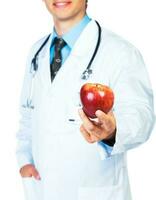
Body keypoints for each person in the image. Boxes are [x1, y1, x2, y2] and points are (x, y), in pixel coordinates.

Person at [16, 0, 155, 200]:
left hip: (97, 191)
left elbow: (142, 115)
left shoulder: (120, 52)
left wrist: (112, 131)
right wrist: (24, 161)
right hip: (43, 189)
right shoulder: (37, 52)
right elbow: (28, 114)